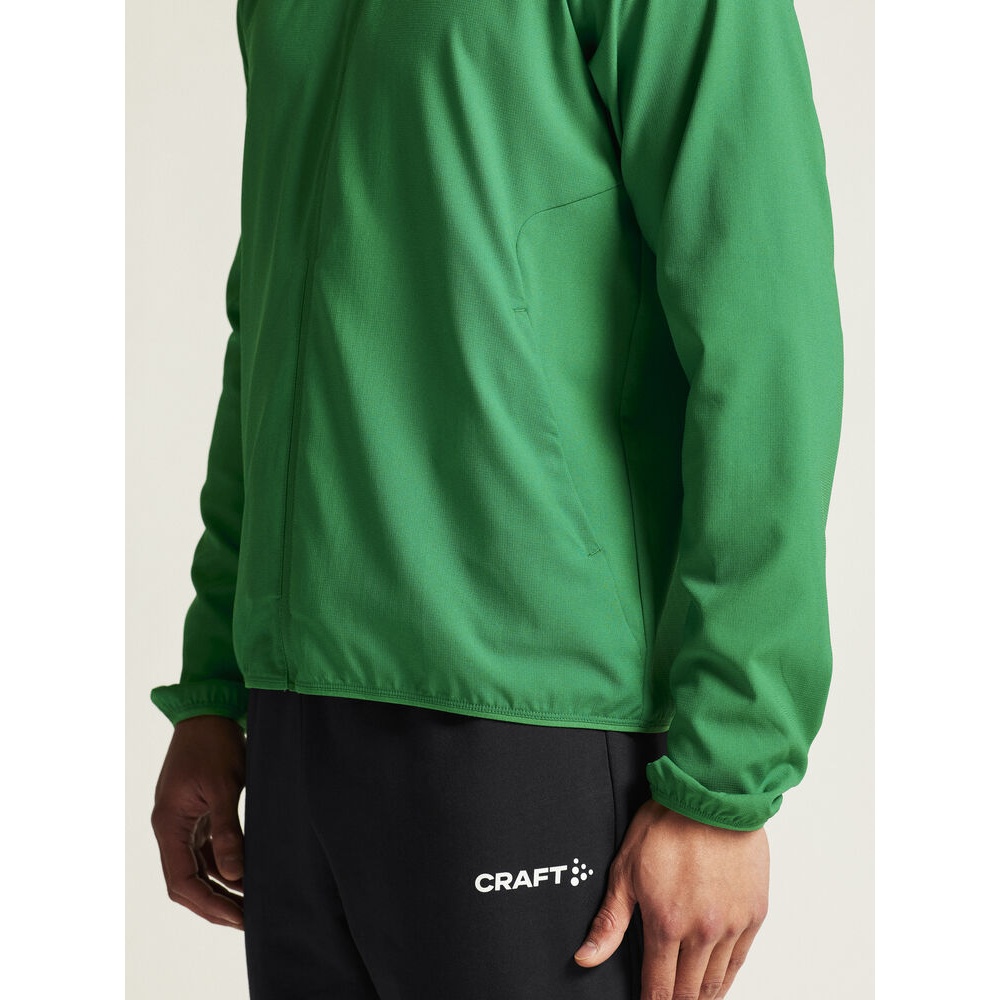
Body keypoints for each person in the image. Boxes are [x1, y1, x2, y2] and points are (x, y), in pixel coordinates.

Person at [150, 2, 844, 998]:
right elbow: (268, 325)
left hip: (531, 717)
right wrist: (216, 689)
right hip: (300, 726)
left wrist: (727, 779)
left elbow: (765, 334)